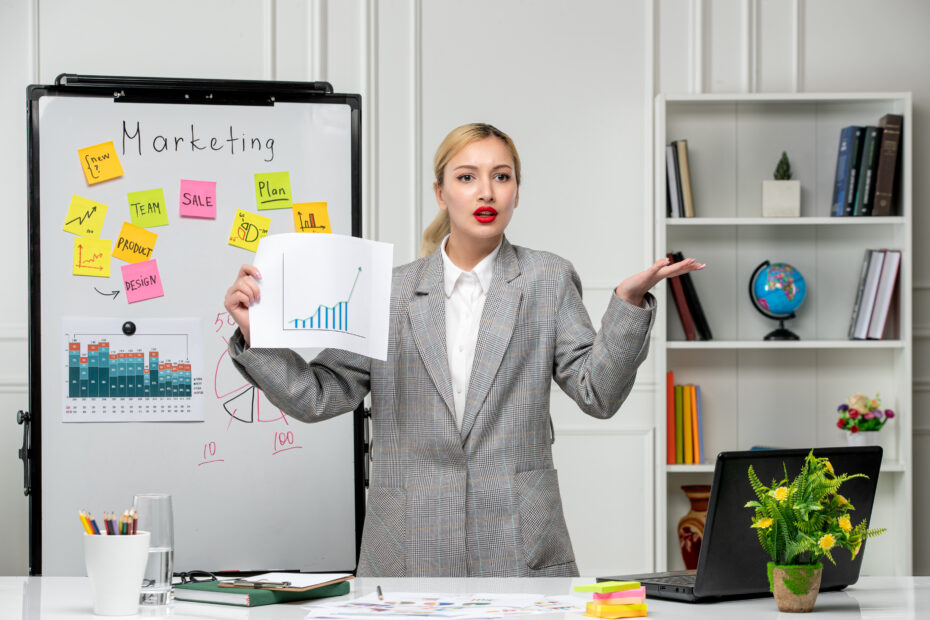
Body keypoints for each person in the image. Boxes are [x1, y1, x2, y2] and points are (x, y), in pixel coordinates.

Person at [224, 123, 704, 577]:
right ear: (440, 192)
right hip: (409, 544)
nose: (486, 192)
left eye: (502, 176)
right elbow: (319, 395)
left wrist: (628, 302)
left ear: (517, 189)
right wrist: (256, 334)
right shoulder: (387, 291)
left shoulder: (547, 279)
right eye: (467, 177)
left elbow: (597, 393)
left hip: (518, 542)